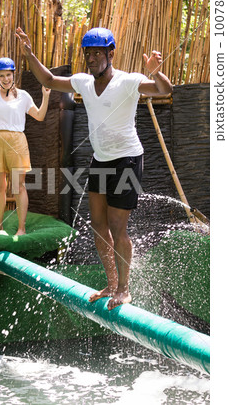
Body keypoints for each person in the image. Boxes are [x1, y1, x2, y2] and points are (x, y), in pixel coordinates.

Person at [16, 26, 173, 309]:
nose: (91, 58)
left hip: (126, 160)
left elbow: (165, 90)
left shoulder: (127, 81)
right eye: (87, 53)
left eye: (97, 53)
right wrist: (29, 55)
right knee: (99, 226)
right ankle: (111, 284)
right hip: (100, 160)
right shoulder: (84, 83)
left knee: (117, 227)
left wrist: (154, 72)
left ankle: (124, 289)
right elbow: (49, 79)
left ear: (111, 53)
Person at [0, 54, 51, 235]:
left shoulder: (23, 96)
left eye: (8, 75)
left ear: (13, 75)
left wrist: (45, 97)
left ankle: (21, 228)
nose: (5, 79)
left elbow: (39, 116)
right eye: (1, 75)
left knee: (18, 186)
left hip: (17, 141)